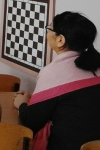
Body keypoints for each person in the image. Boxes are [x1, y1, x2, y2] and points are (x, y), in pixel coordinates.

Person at [14, 11, 100, 150]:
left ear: (60, 40)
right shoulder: (96, 64)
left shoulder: (52, 72)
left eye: (49, 28)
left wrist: (22, 104)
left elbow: (31, 121)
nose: (47, 32)